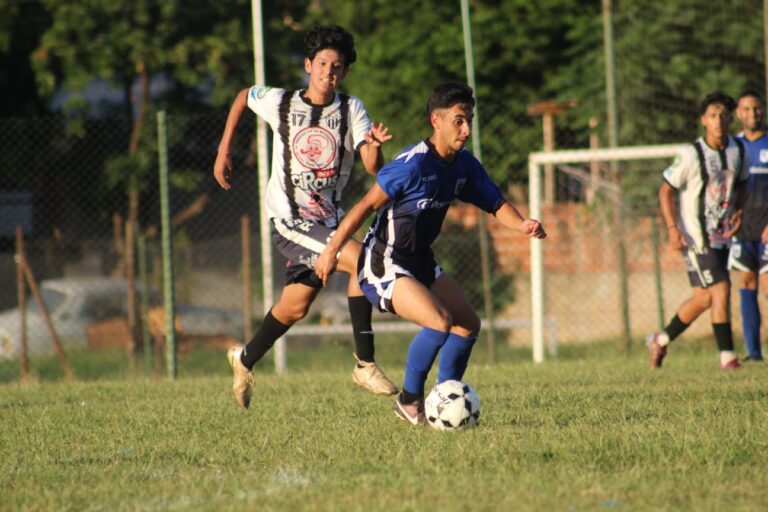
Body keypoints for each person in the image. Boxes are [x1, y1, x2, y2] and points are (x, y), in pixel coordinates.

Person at [314, 82, 547, 426]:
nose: (466, 129)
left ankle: (442, 402)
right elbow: (364, 206)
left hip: (420, 260)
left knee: (467, 324)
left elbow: (497, 204)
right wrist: (331, 250)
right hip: (384, 260)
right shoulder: (411, 166)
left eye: (469, 120)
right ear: (436, 121)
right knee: (439, 322)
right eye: (459, 121)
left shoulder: (464, 165)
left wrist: (523, 224)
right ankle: (409, 403)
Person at [213, 25, 398, 409]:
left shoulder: (352, 109)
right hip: (289, 220)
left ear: (344, 73)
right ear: (308, 65)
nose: (328, 72)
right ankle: (364, 363)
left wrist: (376, 149)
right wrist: (224, 150)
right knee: (364, 260)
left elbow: (370, 164)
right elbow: (244, 96)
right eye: (322, 64)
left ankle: (244, 359)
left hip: (329, 222)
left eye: (337, 67)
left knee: (295, 307)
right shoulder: (280, 102)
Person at [647, 91, 747, 370]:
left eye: (723, 115)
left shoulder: (737, 150)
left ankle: (661, 339)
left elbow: (742, 183)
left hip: (723, 236)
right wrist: (672, 228)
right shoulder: (692, 154)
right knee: (721, 287)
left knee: (704, 297)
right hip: (696, 237)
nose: (719, 121)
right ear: (704, 120)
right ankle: (727, 357)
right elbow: (665, 190)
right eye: (713, 116)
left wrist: (739, 209)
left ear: (730, 118)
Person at [727, 90, 768, 362]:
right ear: (738, 114)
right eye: (746, 109)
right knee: (747, 282)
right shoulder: (732, 147)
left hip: (767, 228)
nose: (752, 113)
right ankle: (753, 353)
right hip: (742, 229)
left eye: (757, 108)